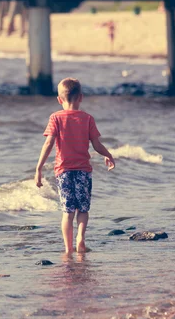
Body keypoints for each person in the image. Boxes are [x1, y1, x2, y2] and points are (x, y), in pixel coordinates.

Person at [34, 78, 115, 254]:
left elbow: (48, 144)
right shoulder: (87, 119)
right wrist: (108, 155)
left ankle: (68, 248)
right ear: (81, 97)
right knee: (83, 209)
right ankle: (81, 240)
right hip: (83, 171)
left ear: (59, 99)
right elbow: (96, 145)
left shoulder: (55, 117)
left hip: (63, 171)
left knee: (67, 211)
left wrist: (39, 168)